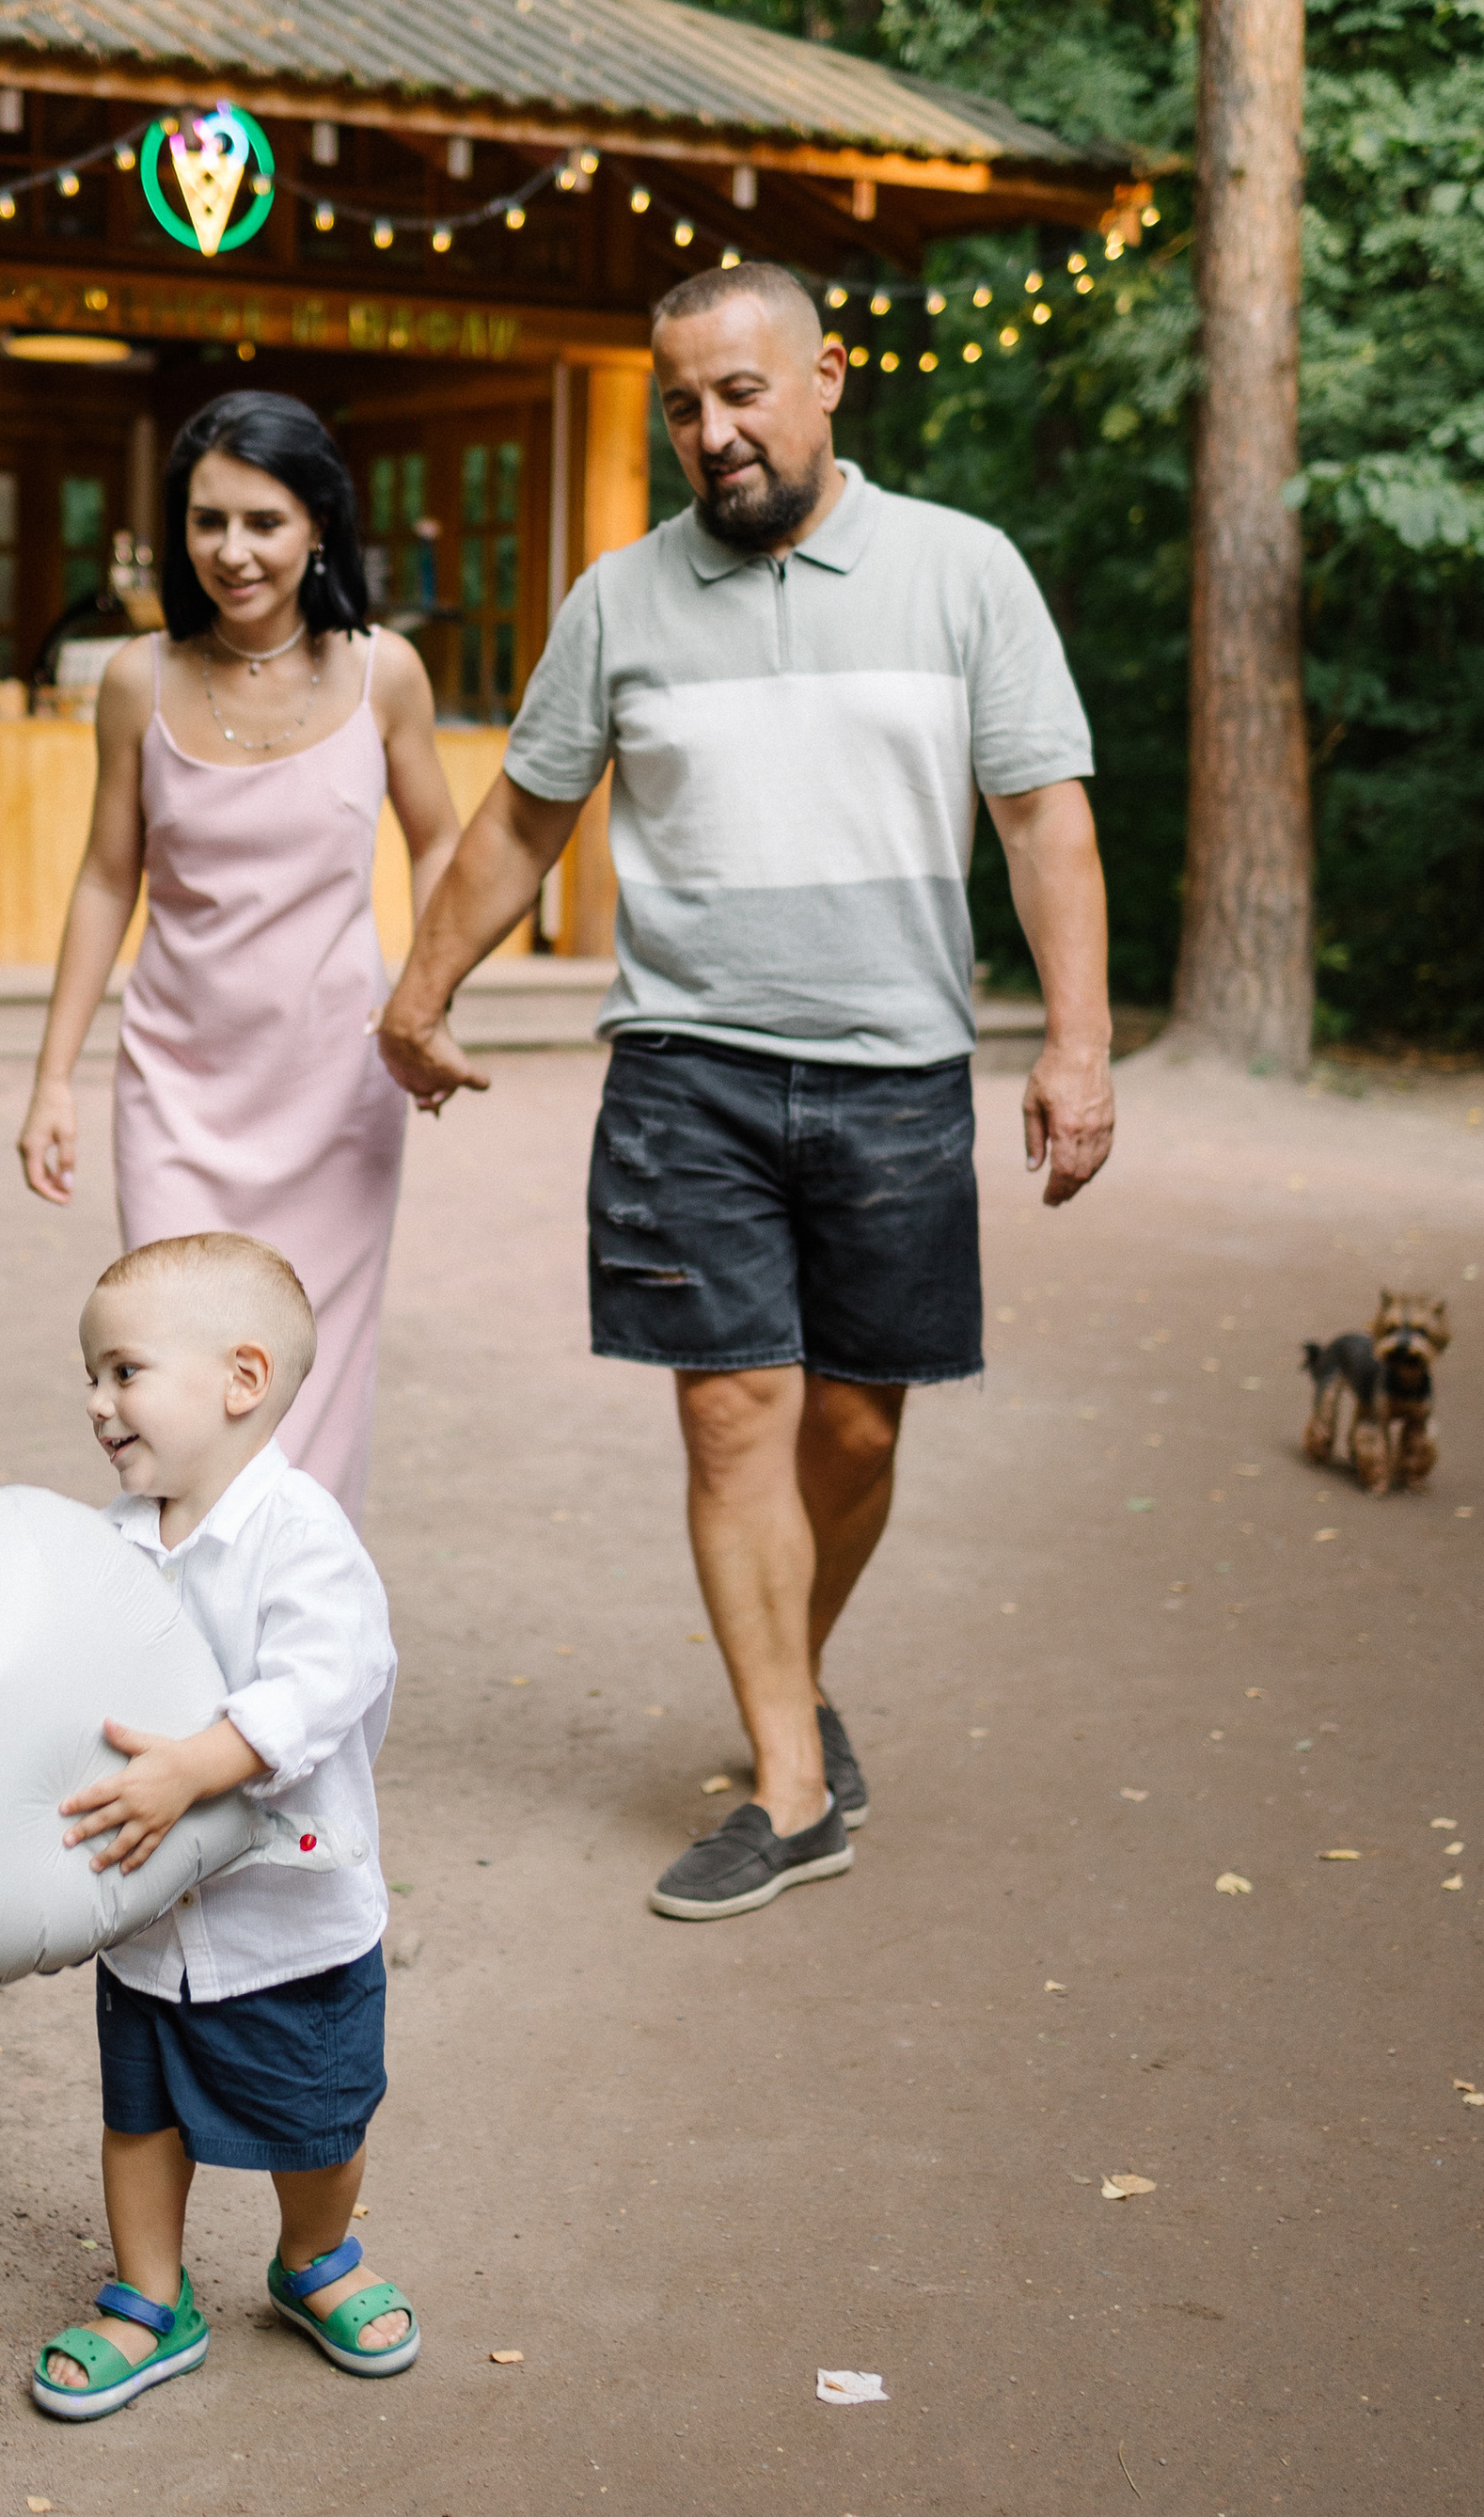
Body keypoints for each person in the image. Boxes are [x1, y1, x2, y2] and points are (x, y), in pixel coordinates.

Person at [379, 261, 1114, 1922]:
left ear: (828, 377)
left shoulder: (962, 571)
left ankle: (790, 1681)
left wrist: (1079, 1043)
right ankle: (791, 1785)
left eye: (741, 394)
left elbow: (1043, 817)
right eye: (683, 407)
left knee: (854, 1429)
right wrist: (418, 989)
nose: (711, 433)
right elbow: (519, 821)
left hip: (900, 1073)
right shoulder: (620, 601)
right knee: (729, 1418)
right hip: (686, 1076)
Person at [17, 393, 463, 1522]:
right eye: (206, 521)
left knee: (313, 1387)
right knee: (169, 1379)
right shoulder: (137, 679)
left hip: (336, 1093)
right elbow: (105, 879)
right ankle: (178, 1653)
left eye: (262, 521)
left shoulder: (384, 675)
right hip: (177, 1089)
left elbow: (443, 841)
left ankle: (299, 1669)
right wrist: (51, 1077)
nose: (231, 551)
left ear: (319, 524)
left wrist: (426, 1000)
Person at [30, 1232, 418, 2421]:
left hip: (289, 1919)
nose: (97, 1402)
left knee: (317, 2118)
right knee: (139, 2115)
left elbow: (321, 1683)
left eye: (124, 1372)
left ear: (239, 1381)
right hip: (151, 1915)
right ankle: (152, 2296)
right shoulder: (106, 1542)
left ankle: (315, 2258)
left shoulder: (302, 1537)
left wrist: (198, 1764)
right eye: (91, 1376)